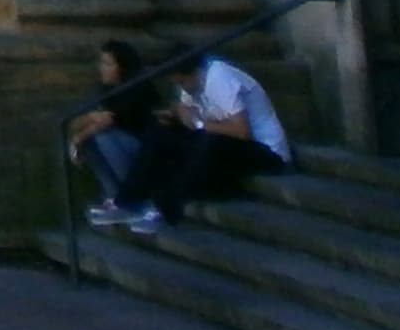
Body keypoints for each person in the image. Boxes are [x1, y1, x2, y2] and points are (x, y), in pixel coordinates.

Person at [117, 46, 294, 232]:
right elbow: (189, 115)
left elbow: (242, 131)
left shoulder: (219, 78)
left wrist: (199, 123)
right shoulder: (190, 84)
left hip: (267, 152)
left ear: (195, 73)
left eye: (183, 82)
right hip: (228, 147)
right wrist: (177, 113)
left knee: (208, 141)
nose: (182, 88)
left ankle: (166, 206)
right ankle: (126, 200)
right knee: (162, 132)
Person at [66, 39, 164, 226]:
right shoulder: (106, 90)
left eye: (108, 63)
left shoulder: (137, 88)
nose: (102, 68)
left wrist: (79, 138)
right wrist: (89, 120)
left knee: (101, 137)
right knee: (91, 140)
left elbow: (109, 120)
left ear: (122, 65)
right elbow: (74, 123)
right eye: (101, 63)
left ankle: (136, 198)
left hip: (146, 153)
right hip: (124, 148)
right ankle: (115, 197)